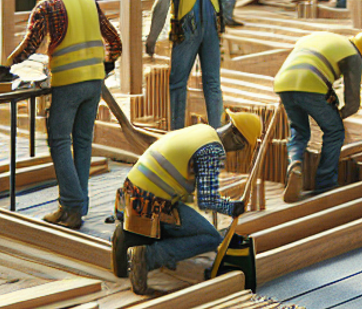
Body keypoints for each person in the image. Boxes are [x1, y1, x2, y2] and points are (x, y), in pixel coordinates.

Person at [0, 0, 121, 228]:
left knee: (58, 140)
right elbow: (115, 41)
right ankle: (74, 207)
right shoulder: (89, 1)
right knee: (82, 142)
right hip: (94, 83)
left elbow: (30, 44)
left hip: (68, 82)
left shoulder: (47, 6)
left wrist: (5, 65)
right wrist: (108, 64)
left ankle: (72, 206)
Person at [112, 110, 261, 295]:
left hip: (129, 191)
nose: (237, 152)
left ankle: (161, 252)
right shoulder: (212, 150)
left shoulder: (203, 131)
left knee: (188, 213)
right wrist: (231, 207)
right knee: (211, 237)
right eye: (241, 147)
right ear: (236, 138)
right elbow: (207, 200)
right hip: (151, 202)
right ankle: (146, 257)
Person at [274, 31, 362, 203]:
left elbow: (314, 65)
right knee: (334, 131)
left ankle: (295, 164)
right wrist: (337, 115)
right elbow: (353, 104)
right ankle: (325, 182)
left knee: (299, 132)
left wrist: (329, 99)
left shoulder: (329, 40)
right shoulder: (354, 56)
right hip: (310, 83)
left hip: (283, 82)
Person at [146, 0, 224, 131]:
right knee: (212, 84)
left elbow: (161, 4)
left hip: (188, 29)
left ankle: (177, 134)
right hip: (212, 30)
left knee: (178, 84)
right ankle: (218, 133)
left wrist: (151, 39)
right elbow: (220, 1)